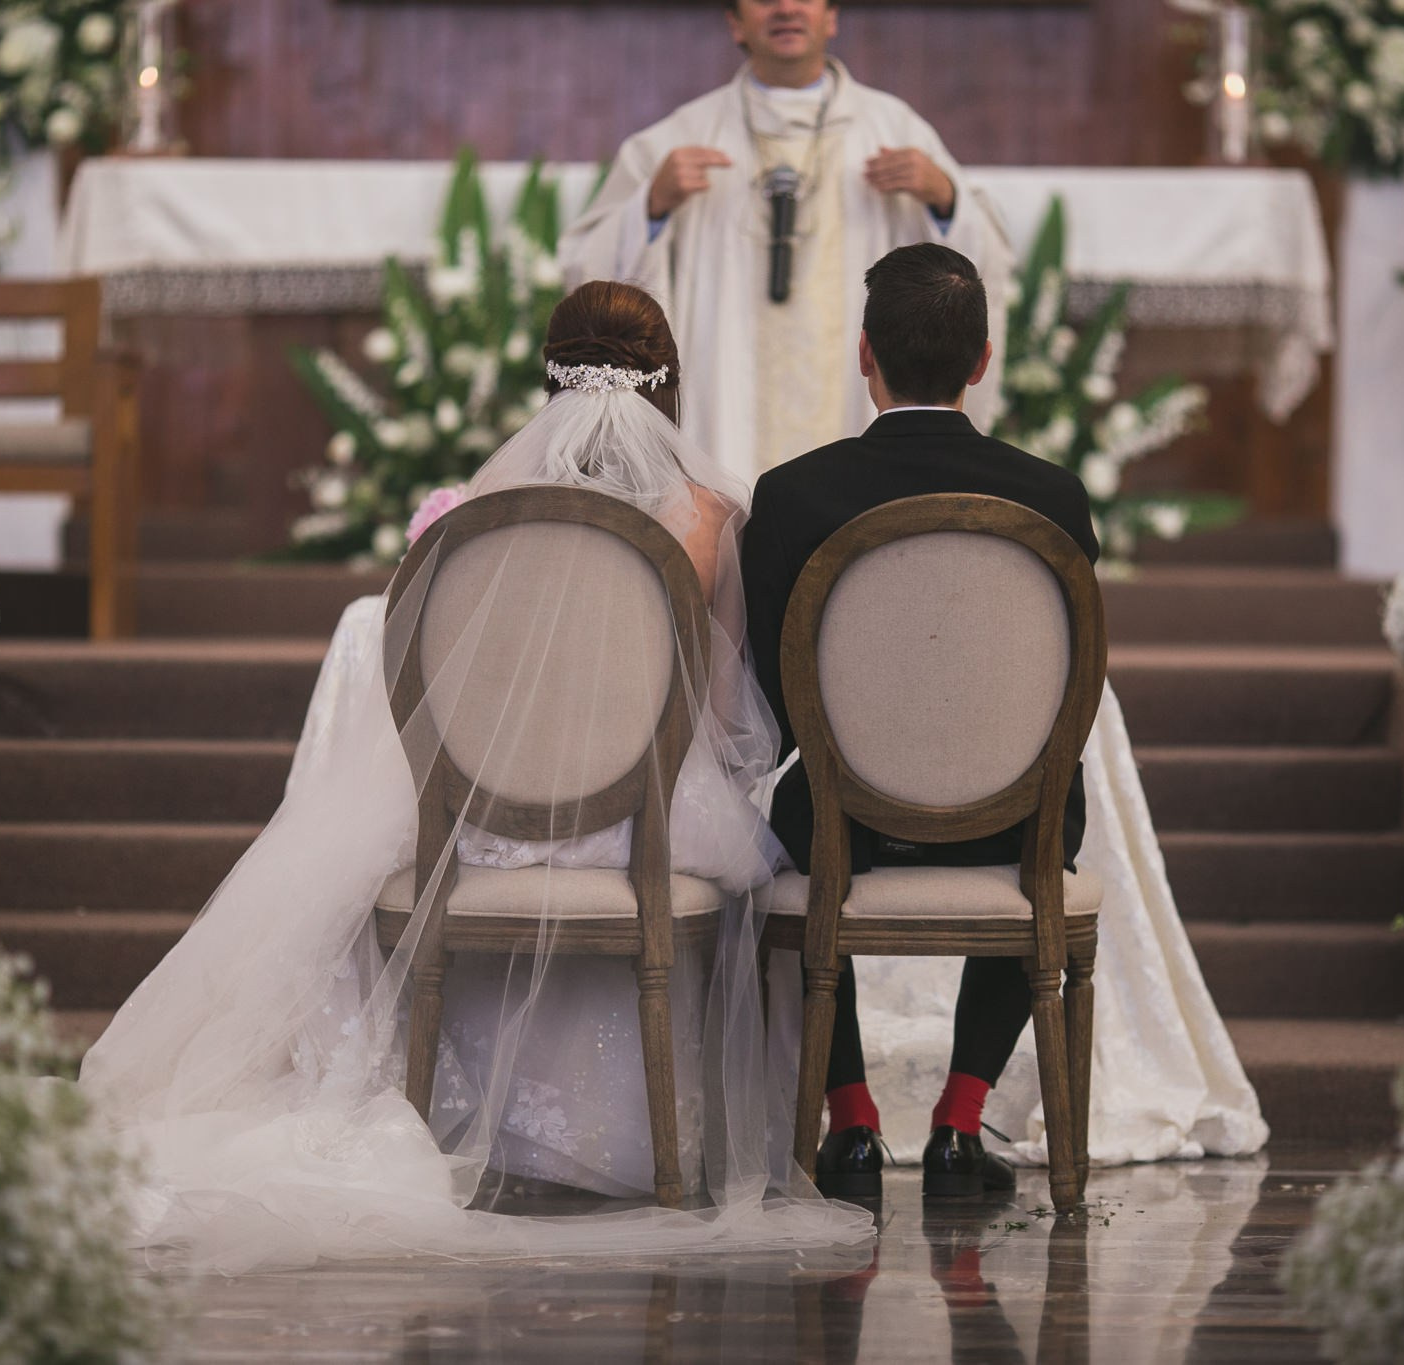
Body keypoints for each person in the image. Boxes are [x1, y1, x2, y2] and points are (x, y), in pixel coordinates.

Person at [77, 282, 873, 1271]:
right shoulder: (710, 520)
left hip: (487, 823)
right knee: (755, 864)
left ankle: (449, 1117)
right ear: (667, 387)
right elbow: (721, 725)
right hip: (646, 827)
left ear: (549, 379)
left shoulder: (479, 516)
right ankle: (671, 1138)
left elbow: (433, 713)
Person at [742, 243, 1269, 1200]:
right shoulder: (1052, 501)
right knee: (1045, 817)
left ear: (865, 353)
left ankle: (851, 1122)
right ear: (983, 361)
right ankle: (956, 1121)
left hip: (836, 828)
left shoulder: (790, 499)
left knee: (771, 827)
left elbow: (765, 684)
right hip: (1007, 823)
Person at [560, 0, 1014, 488]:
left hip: (850, 388)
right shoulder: (680, 138)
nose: (785, 8)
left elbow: (982, 263)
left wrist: (942, 198)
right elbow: (590, 271)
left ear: (831, 17)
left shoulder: (893, 130)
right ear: (735, 23)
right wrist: (649, 208)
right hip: (724, 400)